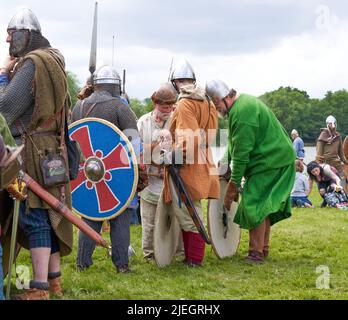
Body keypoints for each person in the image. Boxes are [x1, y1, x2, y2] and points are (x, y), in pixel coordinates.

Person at [0, 8, 73, 299]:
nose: (7, 40)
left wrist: (3, 75)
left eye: (11, 33)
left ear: (26, 34)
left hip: (30, 152)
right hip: (51, 149)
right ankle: (53, 281)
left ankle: (39, 288)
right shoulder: (53, 59)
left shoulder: (32, 63)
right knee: (49, 211)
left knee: (33, 216)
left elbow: (5, 109)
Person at [205, 79, 295, 264]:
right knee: (263, 206)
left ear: (223, 98)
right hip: (273, 160)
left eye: (216, 104)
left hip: (272, 162)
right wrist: (222, 166)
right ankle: (263, 248)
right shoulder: (239, 108)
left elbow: (241, 155)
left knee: (254, 204)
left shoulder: (243, 111)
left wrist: (233, 185)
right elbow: (233, 144)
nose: (216, 109)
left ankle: (256, 253)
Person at [72, 65, 144, 273]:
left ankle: (82, 262)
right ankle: (121, 265)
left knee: (91, 214)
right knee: (120, 216)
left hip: (88, 171)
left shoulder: (80, 106)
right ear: (116, 86)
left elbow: (72, 139)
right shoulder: (120, 107)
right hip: (115, 172)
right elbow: (134, 141)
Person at [161, 59, 219, 267]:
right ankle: (190, 256)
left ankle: (195, 259)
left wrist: (176, 157)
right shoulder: (207, 101)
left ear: (175, 83)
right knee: (190, 210)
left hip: (187, 165)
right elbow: (210, 136)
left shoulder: (186, 102)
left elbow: (189, 138)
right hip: (202, 161)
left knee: (188, 213)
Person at [137, 82, 177, 259]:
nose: (167, 110)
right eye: (164, 106)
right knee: (149, 219)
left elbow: (184, 146)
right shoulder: (143, 122)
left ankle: (171, 251)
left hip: (172, 179)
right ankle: (149, 253)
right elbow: (136, 149)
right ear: (155, 104)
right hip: (150, 179)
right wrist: (155, 147)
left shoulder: (177, 119)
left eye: (170, 106)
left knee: (172, 219)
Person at [316, 115, 348, 189]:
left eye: (334, 124)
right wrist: (319, 167)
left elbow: (341, 155)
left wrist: (346, 162)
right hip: (325, 165)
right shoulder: (322, 137)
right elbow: (319, 155)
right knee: (327, 186)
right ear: (327, 124)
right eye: (330, 124)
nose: (333, 126)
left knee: (342, 180)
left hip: (336, 164)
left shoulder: (338, 137)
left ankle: (340, 197)